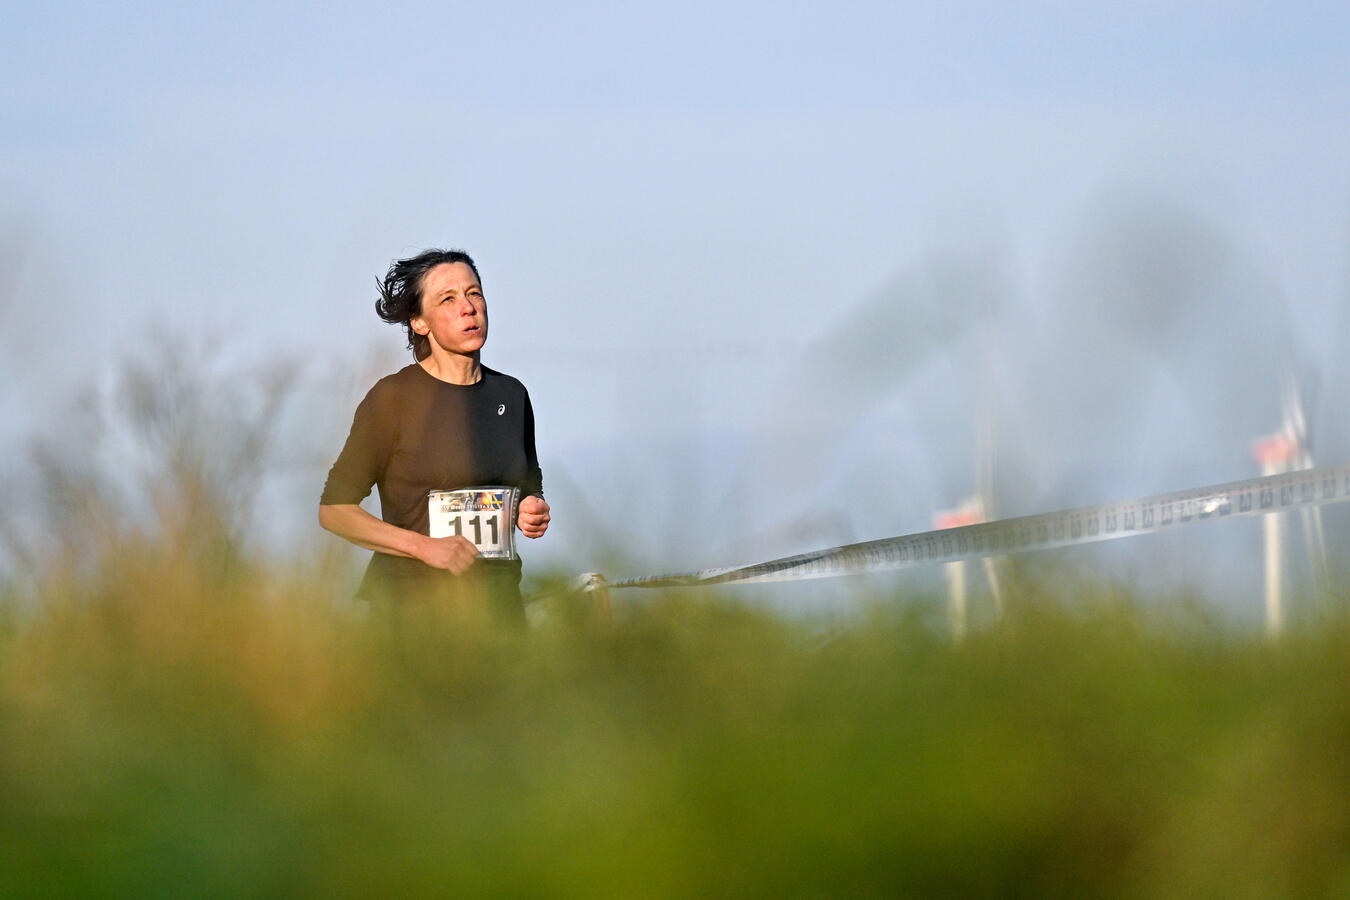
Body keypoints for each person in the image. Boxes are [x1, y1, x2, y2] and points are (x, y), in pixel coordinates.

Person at [319, 248, 550, 628]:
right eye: (448, 298)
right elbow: (334, 510)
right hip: (411, 616)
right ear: (420, 322)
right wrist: (425, 548)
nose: (468, 308)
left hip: (499, 614)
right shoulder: (393, 399)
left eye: (474, 293)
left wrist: (532, 510)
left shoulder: (512, 395)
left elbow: (529, 490)